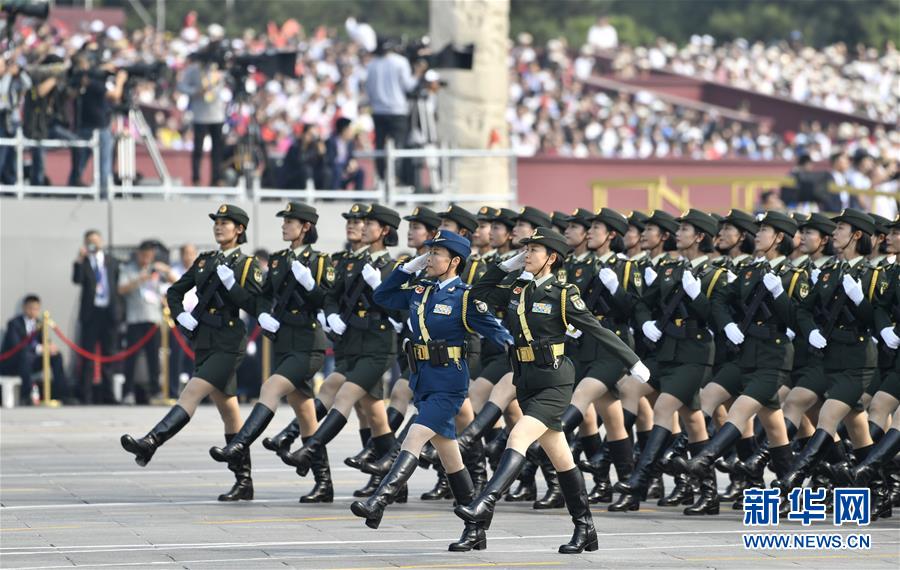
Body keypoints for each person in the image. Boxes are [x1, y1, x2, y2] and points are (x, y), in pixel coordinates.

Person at [457, 226, 647, 554]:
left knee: (518, 437)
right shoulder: (518, 288)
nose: (527, 254)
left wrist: (632, 361)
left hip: (554, 381)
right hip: (525, 377)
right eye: (526, 249)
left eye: (534, 250)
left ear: (552, 258)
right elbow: (477, 295)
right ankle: (585, 527)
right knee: (561, 457)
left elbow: (595, 328)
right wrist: (505, 266)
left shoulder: (562, 293)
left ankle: (484, 504)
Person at [352, 230, 512, 552]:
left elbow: (500, 334)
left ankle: (379, 500)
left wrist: (524, 356)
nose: (429, 258)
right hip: (423, 381)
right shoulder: (421, 289)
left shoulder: (464, 298)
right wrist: (408, 267)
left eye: (436, 254)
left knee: (414, 434)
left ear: (454, 262)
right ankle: (476, 528)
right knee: (452, 459)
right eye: (428, 252)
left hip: (449, 386)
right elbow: (382, 296)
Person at [120, 204, 263, 502]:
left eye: (225, 223)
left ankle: (151, 441)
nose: (219, 226)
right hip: (204, 339)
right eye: (216, 222)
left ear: (239, 230)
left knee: (192, 391)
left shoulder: (247, 265)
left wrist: (232, 286)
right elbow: (174, 291)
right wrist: (179, 316)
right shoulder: (204, 261)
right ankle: (244, 480)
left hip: (229, 340)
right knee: (229, 410)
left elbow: (256, 306)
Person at [210, 202, 335, 503]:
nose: (284, 226)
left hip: (308, 342)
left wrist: (310, 284)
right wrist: (264, 313)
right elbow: (263, 297)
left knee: (271, 387)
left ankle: (239, 444)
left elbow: (328, 300)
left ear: (305, 226)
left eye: (290, 222)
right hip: (283, 341)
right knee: (306, 413)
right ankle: (324, 483)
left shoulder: (319, 260)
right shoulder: (278, 260)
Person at [281, 205, 404, 480]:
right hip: (352, 343)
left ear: (384, 231)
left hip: (378, 344)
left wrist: (380, 288)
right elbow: (332, 296)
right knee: (374, 414)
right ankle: (391, 478)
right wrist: (332, 315)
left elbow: (401, 309)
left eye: (369, 223)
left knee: (346, 394)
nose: (362, 227)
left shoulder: (394, 268)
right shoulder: (352, 263)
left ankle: (310, 448)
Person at [774, 209, 887, 494]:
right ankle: (876, 488)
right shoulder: (831, 272)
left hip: (857, 360)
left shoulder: (874, 274)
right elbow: (803, 310)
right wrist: (811, 329)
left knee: (827, 415)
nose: (834, 233)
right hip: (828, 358)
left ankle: (795, 476)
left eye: (840, 229)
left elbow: (877, 319)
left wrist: (860, 300)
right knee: (858, 428)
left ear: (857, 235)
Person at [117, 240, 176, 404]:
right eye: (144, 255)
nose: (146, 259)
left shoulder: (156, 270)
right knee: (131, 358)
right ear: (138, 254)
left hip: (154, 319)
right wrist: (140, 279)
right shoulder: (128, 269)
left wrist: (165, 269)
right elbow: (121, 289)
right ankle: (127, 392)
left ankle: (155, 392)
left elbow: (176, 283)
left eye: (150, 256)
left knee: (153, 358)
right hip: (135, 318)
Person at [365, 37, 425, 182]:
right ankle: (395, 176)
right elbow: (409, 86)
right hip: (397, 110)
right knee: (398, 146)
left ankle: (381, 176)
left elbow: (369, 89)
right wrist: (418, 73)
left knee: (379, 145)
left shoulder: (372, 64)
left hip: (379, 111)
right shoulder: (400, 62)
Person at [72, 229, 120, 404]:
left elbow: (116, 283)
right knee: (87, 355)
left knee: (109, 354)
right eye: (89, 241)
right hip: (90, 314)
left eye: (95, 240)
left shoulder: (111, 261)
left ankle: (109, 395)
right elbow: (77, 280)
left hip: (108, 313)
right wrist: (79, 259)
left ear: (101, 241)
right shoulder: (83, 261)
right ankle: (85, 395)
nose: (93, 243)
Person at [69, 54, 127, 195]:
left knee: (80, 163)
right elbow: (115, 96)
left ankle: (72, 189)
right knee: (104, 164)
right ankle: (104, 194)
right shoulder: (92, 83)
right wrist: (120, 81)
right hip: (99, 127)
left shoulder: (78, 82)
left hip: (84, 126)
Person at [179, 28, 228, 186]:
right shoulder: (194, 69)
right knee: (198, 149)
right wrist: (195, 92)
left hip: (217, 113)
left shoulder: (218, 71)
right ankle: (196, 178)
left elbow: (224, 87)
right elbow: (181, 86)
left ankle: (216, 178)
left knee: (217, 149)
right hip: (200, 113)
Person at [0, 295, 71, 404]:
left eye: (36, 309)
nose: (33, 311)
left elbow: (44, 342)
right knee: (25, 356)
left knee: (57, 356)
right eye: (31, 308)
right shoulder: (14, 324)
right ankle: (26, 396)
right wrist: (39, 348)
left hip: (31, 362)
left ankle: (62, 394)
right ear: (24, 308)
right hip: (15, 363)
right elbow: (17, 346)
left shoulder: (39, 324)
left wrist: (50, 347)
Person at [0, 55, 32, 185]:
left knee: (13, 154)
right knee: (2, 153)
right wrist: (7, 75)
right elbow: (3, 92)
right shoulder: (5, 80)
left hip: (14, 120)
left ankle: (11, 181)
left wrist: (20, 70)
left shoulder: (16, 80)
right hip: (2, 120)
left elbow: (28, 85)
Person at [326, 117, 365, 189]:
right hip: (335, 168)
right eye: (350, 129)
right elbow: (330, 160)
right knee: (337, 170)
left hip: (346, 167)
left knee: (360, 172)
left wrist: (352, 163)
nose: (352, 132)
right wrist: (343, 169)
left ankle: (359, 198)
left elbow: (351, 157)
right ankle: (333, 197)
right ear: (344, 130)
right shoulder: (331, 141)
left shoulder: (350, 143)